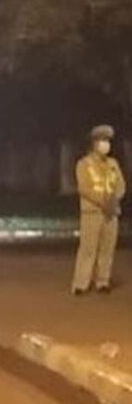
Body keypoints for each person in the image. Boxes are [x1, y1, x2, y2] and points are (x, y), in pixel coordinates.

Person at [72, 125, 126, 295]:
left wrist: (114, 199)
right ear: (94, 143)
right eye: (102, 140)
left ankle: (103, 281)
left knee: (107, 248)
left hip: (111, 213)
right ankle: (81, 284)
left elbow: (121, 185)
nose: (105, 144)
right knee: (88, 248)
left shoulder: (113, 164)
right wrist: (103, 201)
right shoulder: (84, 164)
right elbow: (84, 188)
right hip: (92, 212)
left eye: (107, 141)